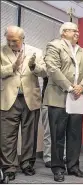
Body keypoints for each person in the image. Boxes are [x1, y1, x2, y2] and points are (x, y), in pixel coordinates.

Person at [43, 22, 83, 182]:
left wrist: (82, 86)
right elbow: (53, 69)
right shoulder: (53, 45)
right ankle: (57, 168)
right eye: (74, 30)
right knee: (57, 135)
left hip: (77, 97)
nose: (78, 32)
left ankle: (73, 166)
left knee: (75, 134)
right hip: (58, 97)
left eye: (78, 30)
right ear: (64, 32)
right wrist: (70, 87)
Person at [0, 25, 47, 181]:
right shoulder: (1, 50)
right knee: (7, 136)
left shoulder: (36, 51)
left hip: (30, 99)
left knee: (29, 134)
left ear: (22, 39)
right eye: (8, 40)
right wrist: (12, 67)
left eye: (14, 41)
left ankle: (27, 164)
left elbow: (44, 72)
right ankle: (9, 167)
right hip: (8, 99)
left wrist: (34, 66)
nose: (11, 44)